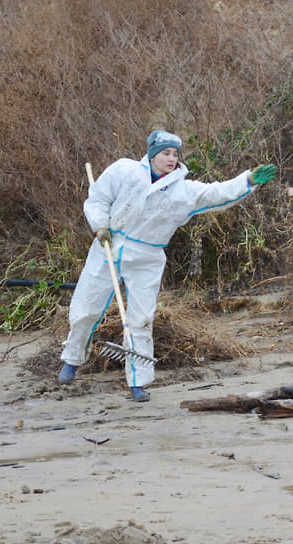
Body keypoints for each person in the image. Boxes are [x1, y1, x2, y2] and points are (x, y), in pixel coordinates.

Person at [58, 129, 277, 402]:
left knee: (141, 318)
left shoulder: (183, 191)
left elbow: (217, 193)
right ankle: (72, 359)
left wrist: (248, 180)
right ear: (152, 154)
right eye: (165, 153)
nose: (171, 159)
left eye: (175, 154)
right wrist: (100, 225)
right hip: (109, 246)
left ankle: (138, 381)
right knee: (86, 309)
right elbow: (98, 198)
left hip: (147, 257)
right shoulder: (124, 171)